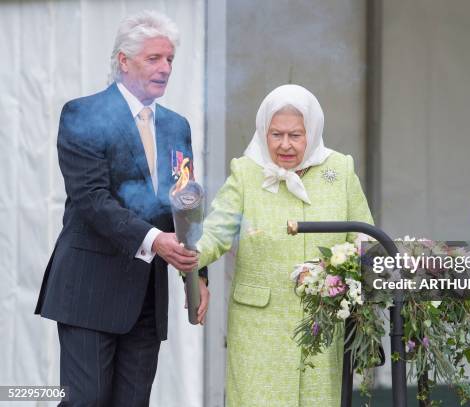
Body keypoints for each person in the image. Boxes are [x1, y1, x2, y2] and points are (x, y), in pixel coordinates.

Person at [35, 10, 208, 406]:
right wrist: (154, 240)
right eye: (154, 58)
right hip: (89, 290)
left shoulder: (176, 125)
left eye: (170, 59)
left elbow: (186, 202)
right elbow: (93, 200)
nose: (166, 68)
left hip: (146, 297)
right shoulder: (83, 113)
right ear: (123, 61)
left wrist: (197, 275)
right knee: (86, 400)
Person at [194, 84, 373, 406]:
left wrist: (344, 272)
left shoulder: (340, 169)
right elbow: (216, 232)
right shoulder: (247, 171)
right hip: (258, 328)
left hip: (322, 323)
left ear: (313, 131)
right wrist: (189, 256)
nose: (285, 145)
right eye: (276, 135)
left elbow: (365, 239)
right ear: (263, 131)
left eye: (295, 135)